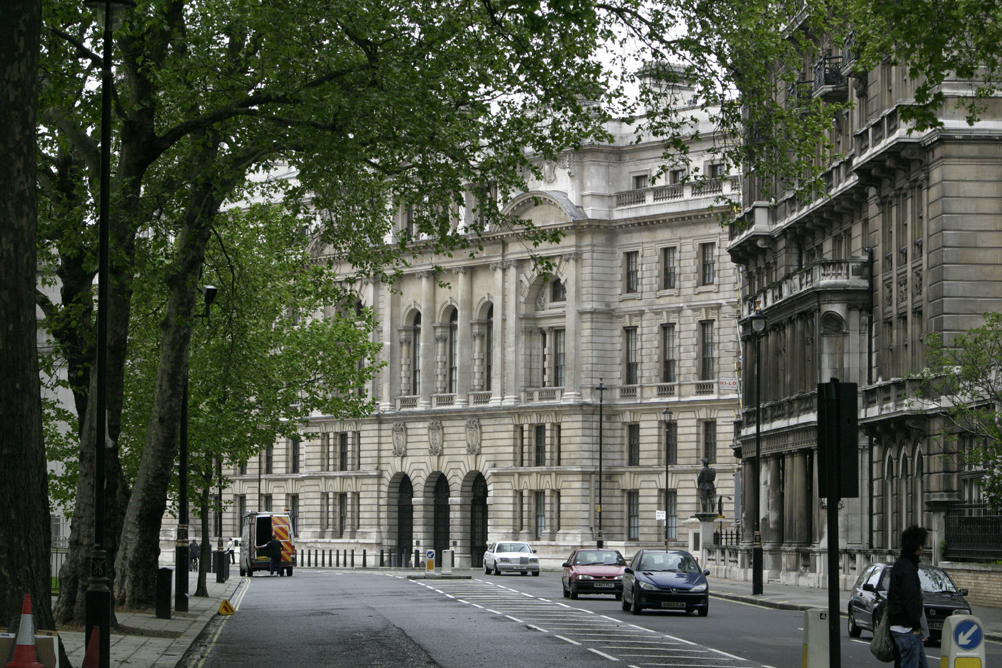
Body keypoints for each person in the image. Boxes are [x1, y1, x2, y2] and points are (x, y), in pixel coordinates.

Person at [886, 525, 929, 668]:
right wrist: (916, 626)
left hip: (901, 627)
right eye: (922, 544)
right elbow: (910, 600)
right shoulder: (908, 569)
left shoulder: (900, 565)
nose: (923, 548)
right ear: (918, 546)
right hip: (906, 629)